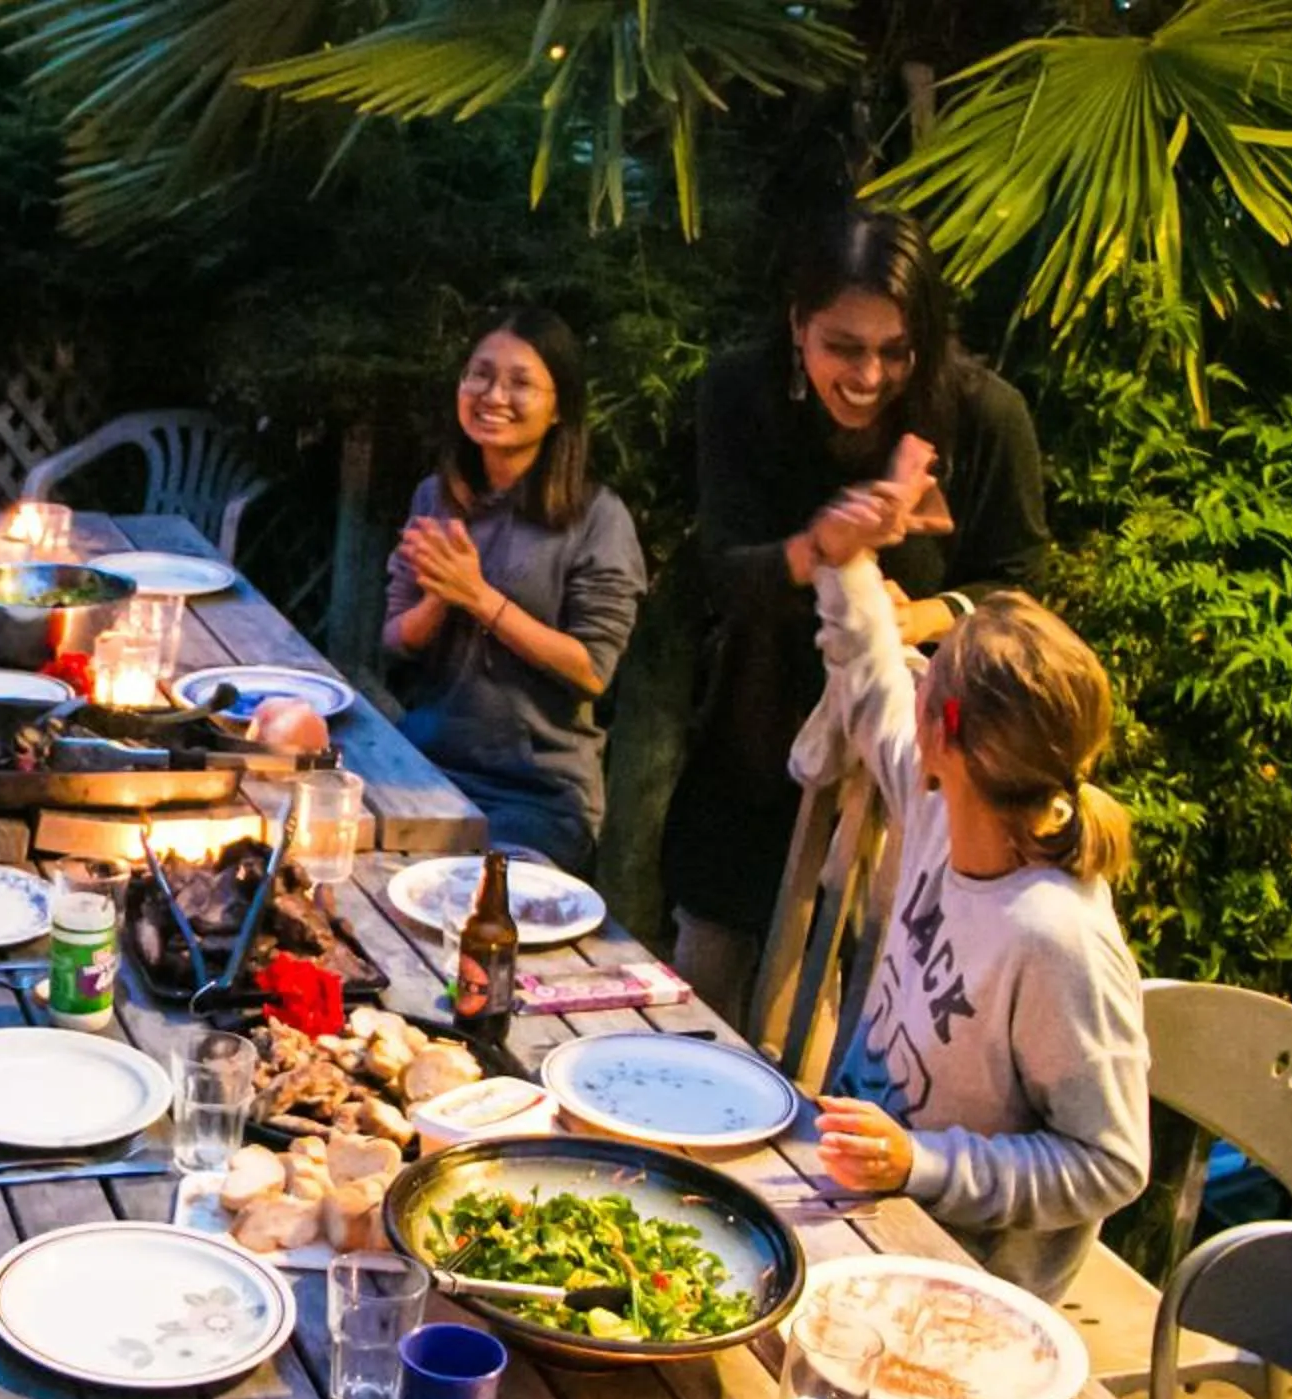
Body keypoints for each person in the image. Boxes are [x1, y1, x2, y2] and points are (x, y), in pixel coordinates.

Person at [661, 207, 1048, 1028]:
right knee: (704, 978)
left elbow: (1018, 587)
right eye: (843, 346)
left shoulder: (983, 416)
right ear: (797, 324)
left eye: (895, 351)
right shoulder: (741, 393)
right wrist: (819, 552)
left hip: (907, 763)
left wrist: (919, 618)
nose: (869, 376)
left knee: (851, 1010)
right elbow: (720, 573)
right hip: (757, 730)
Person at [795, 440, 1147, 1299]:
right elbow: (874, 677)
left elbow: (1109, 1162)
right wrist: (846, 560)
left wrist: (923, 1163)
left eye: (930, 673)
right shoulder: (936, 805)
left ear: (945, 734)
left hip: (963, 1278)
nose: (911, 676)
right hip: (859, 1201)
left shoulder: (1056, 934)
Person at [380, 307, 645, 872]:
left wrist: (478, 597)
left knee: (476, 907)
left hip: (537, 796)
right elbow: (396, 639)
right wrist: (440, 597)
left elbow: (591, 670)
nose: (494, 395)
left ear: (559, 408)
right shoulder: (436, 496)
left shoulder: (598, 519)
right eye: (480, 374)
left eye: (520, 382)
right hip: (423, 764)